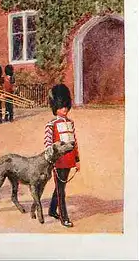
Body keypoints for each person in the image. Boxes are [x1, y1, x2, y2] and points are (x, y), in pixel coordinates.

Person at [46, 84, 80, 228]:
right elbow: (48, 144)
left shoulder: (71, 123)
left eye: (66, 106)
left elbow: (75, 143)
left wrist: (77, 160)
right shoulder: (51, 125)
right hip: (58, 161)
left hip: (69, 160)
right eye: (61, 107)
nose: (64, 109)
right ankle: (64, 217)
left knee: (61, 186)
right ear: (55, 107)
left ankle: (52, 209)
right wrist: (51, 161)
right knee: (61, 189)